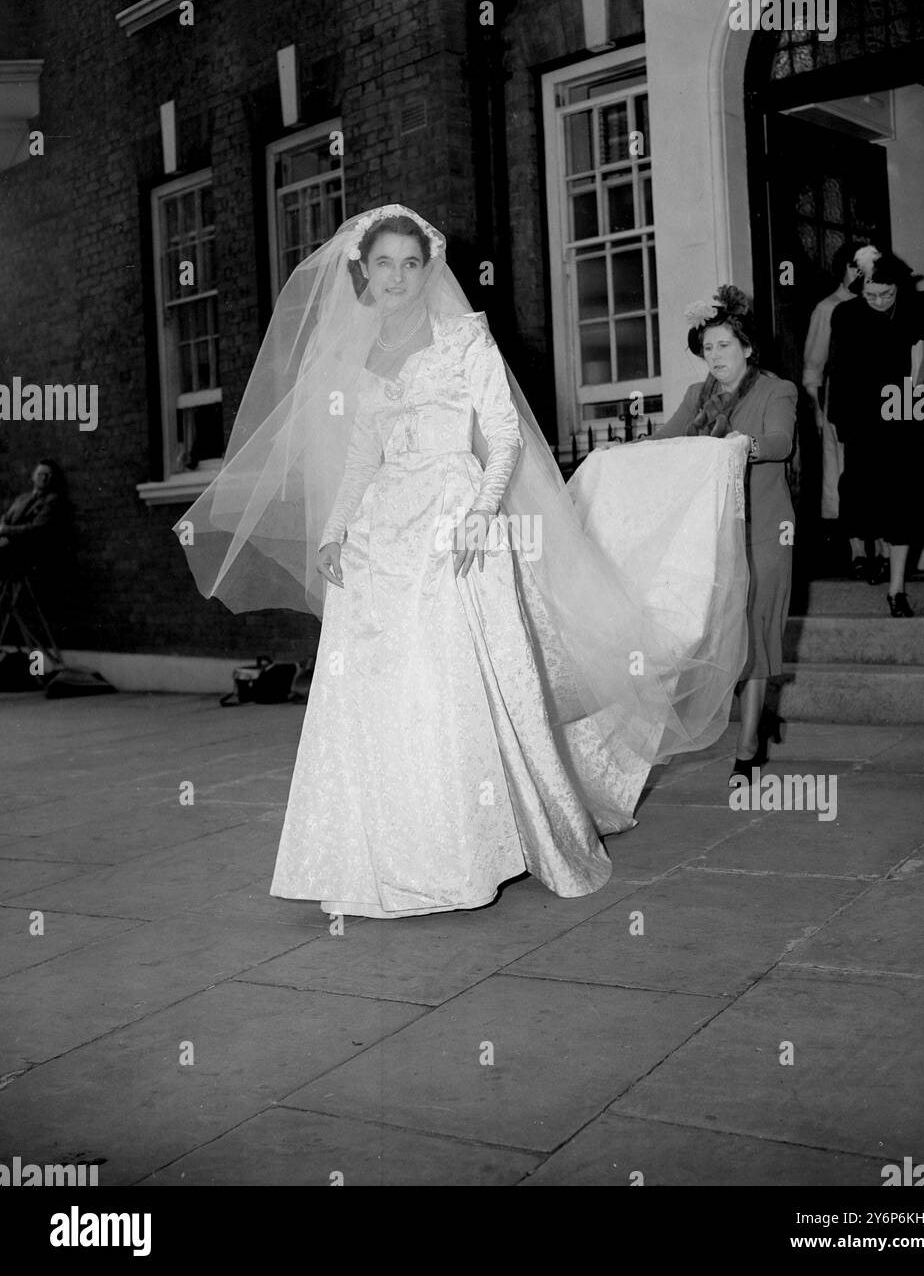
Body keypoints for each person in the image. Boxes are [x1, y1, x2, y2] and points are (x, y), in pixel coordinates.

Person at [175, 206, 750, 918]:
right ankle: (373, 855)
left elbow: (503, 437)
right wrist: (334, 530)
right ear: (364, 269)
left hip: (454, 521)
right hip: (381, 531)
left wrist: (477, 516)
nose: (396, 277)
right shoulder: (358, 361)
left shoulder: (464, 338)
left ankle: (461, 851)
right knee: (375, 689)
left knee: (447, 683)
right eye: (383, 263)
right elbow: (361, 456)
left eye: (410, 264)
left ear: (427, 271)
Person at [649, 287, 798, 783]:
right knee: (720, 634)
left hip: (765, 529)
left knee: (755, 631)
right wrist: (624, 452)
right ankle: (760, 712)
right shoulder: (697, 397)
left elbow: (777, 443)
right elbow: (666, 441)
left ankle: (750, 742)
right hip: (715, 532)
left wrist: (740, 445)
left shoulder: (778, 391)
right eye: (707, 348)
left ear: (747, 348)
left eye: (724, 346)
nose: (714, 357)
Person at [827, 246, 924, 617]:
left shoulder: (923, 311)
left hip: (907, 419)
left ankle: (896, 590)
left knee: (906, 506)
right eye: (871, 295)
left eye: (887, 294)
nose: (880, 301)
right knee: (868, 504)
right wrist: (843, 425)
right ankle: (868, 558)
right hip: (865, 426)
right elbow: (837, 374)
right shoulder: (845, 315)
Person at [801, 244, 860, 571]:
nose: (860, 274)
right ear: (842, 269)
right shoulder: (828, 308)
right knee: (842, 477)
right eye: (854, 267)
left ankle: (880, 550)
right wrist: (818, 410)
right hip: (838, 403)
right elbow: (813, 365)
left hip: (873, 404)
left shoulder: (875, 303)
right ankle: (855, 552)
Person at [0, 459, 67, 578]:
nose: (44, 478)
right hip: (9, 548)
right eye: (40, 474)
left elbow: (35, 530)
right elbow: (6, 517)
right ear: (33, 476)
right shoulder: (22, 499)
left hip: (32, 554)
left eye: (48, 475)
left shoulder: (52, 501)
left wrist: (5, 531)